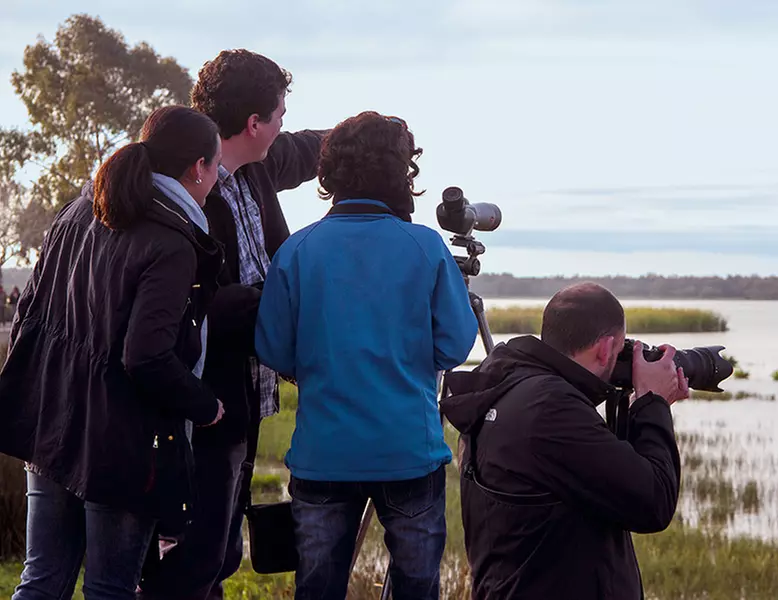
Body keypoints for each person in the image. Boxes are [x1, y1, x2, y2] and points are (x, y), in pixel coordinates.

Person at [0, 105, 227, 600]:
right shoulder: (172, 242)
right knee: (110, 589)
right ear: (197, 168)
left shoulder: (79, 210)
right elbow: (146, 356)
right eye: (215, 167)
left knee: (41, 580)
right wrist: (205, 406)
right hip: (121, 444)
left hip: (52, 424)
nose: (217, 179)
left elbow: (27, 315)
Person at [255, 111, 479, 600]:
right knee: (417, 588)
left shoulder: (296, 250)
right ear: (402, 171)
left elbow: (272, 348)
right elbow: (456, 345)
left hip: (323, 456)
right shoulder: (425, 247)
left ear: (329, 171)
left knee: (317, 588)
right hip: (408, 453)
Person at [137, 49, 329, 599]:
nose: (282, 128)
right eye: (279, 117)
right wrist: (276, 304)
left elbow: (303, 148)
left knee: (220, 553)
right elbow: (187, 305)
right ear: (254, 124)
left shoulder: (256, 167)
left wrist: (365, 133)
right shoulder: (184, 184)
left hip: (246, 396)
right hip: (204, 400)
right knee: (195, 557)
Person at [440, 282, 687, 600]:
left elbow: (605, 472)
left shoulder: (507, 385)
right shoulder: (551, 409)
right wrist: (654, 402)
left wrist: (632, 404)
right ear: (605, 348)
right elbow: (654, 501)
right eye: (621, 348)